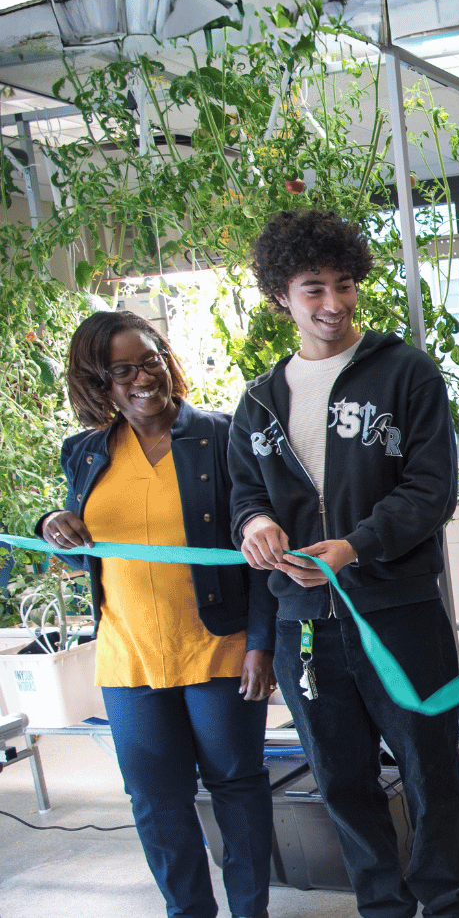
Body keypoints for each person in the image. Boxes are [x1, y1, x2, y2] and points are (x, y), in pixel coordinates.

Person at [228, 209, 459, 918]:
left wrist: (354, 546)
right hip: (302, 626)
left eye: (344, 285)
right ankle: (383, 905)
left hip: (396, 613)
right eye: (313, 289)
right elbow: (246, 496)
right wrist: (257, 525)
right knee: (342, 778)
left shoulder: (405, 372)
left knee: (430, 766)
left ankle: (448, 899)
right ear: (281, 296)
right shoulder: (257, 401)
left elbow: (432, 490)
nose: (332, 304)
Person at [39, 310, 276, 918]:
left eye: (151, 360)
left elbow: (261, 553)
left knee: (237, 788)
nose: (144, 378)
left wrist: (262, 642)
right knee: (155, 800)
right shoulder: (85, 453)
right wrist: (53, 525)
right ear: (98, 383)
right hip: (128, 656)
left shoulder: (223, 436)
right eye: (122, 370)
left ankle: (250, 911)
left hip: (217, 647)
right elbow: (77, 539)